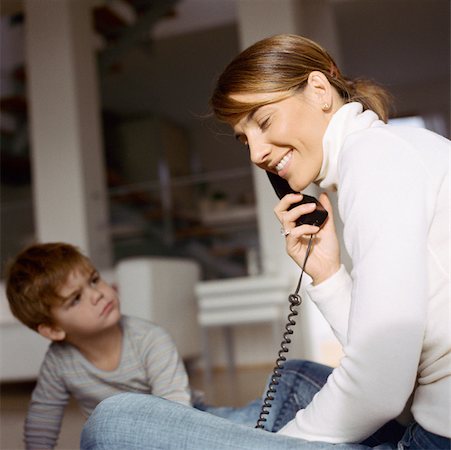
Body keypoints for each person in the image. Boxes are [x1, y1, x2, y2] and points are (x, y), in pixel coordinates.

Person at [80, 34, 450, 450]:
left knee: (113, 423)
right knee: (292, 378)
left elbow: (382, 385)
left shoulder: (375, 160)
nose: (256, 154)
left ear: (319, 90)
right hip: (425, 413)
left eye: (264, 121)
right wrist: (327, 275)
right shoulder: (382, 153)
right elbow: (390, 355)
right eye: (244, 138)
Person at [6, 242, 252, 449]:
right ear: (53, 330)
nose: (97, 294)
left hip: (186, 416)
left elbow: (177, 411)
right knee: (96, 437)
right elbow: (42, 419)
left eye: (94, 280)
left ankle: (281, 396)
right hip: (124, 435)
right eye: (76, 298)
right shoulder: (58, 362)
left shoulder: (150, 339)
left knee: (238, 426)